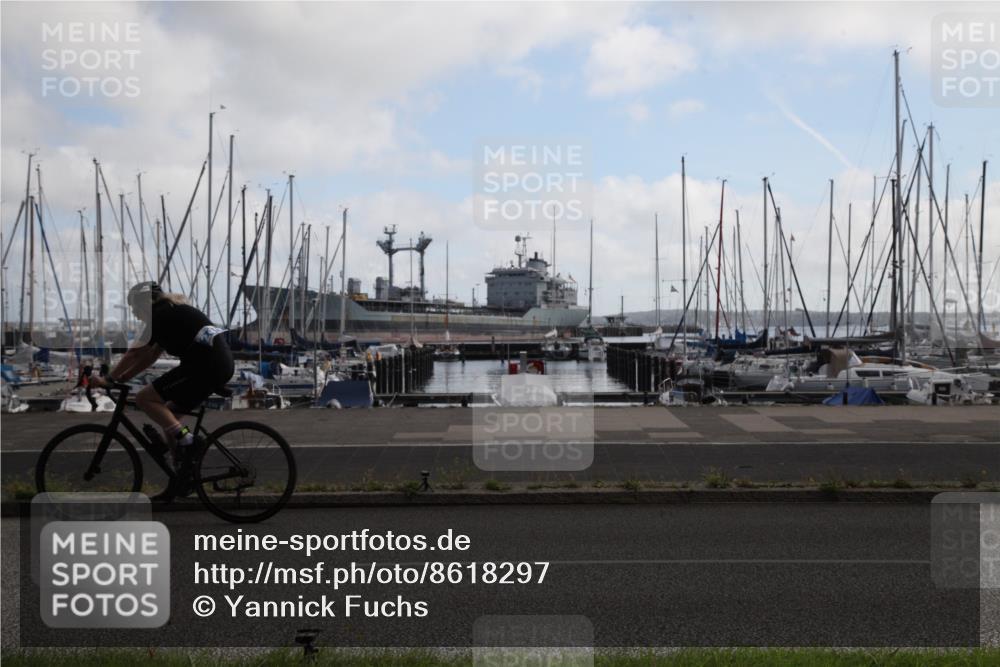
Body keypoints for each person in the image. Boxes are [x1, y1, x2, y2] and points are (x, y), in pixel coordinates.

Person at [91, 282, 234, 499]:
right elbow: (150, 355)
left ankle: (190, 441)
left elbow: (134, 353)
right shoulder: (169, 314)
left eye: (134, 308)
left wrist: (108, 379)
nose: (134, 314)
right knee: (170, 421)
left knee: (144, 398)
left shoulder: (160, 315)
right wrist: (122, 378)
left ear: (146, 303)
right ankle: (182, 479)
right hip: (212, 364)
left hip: (205, 366)